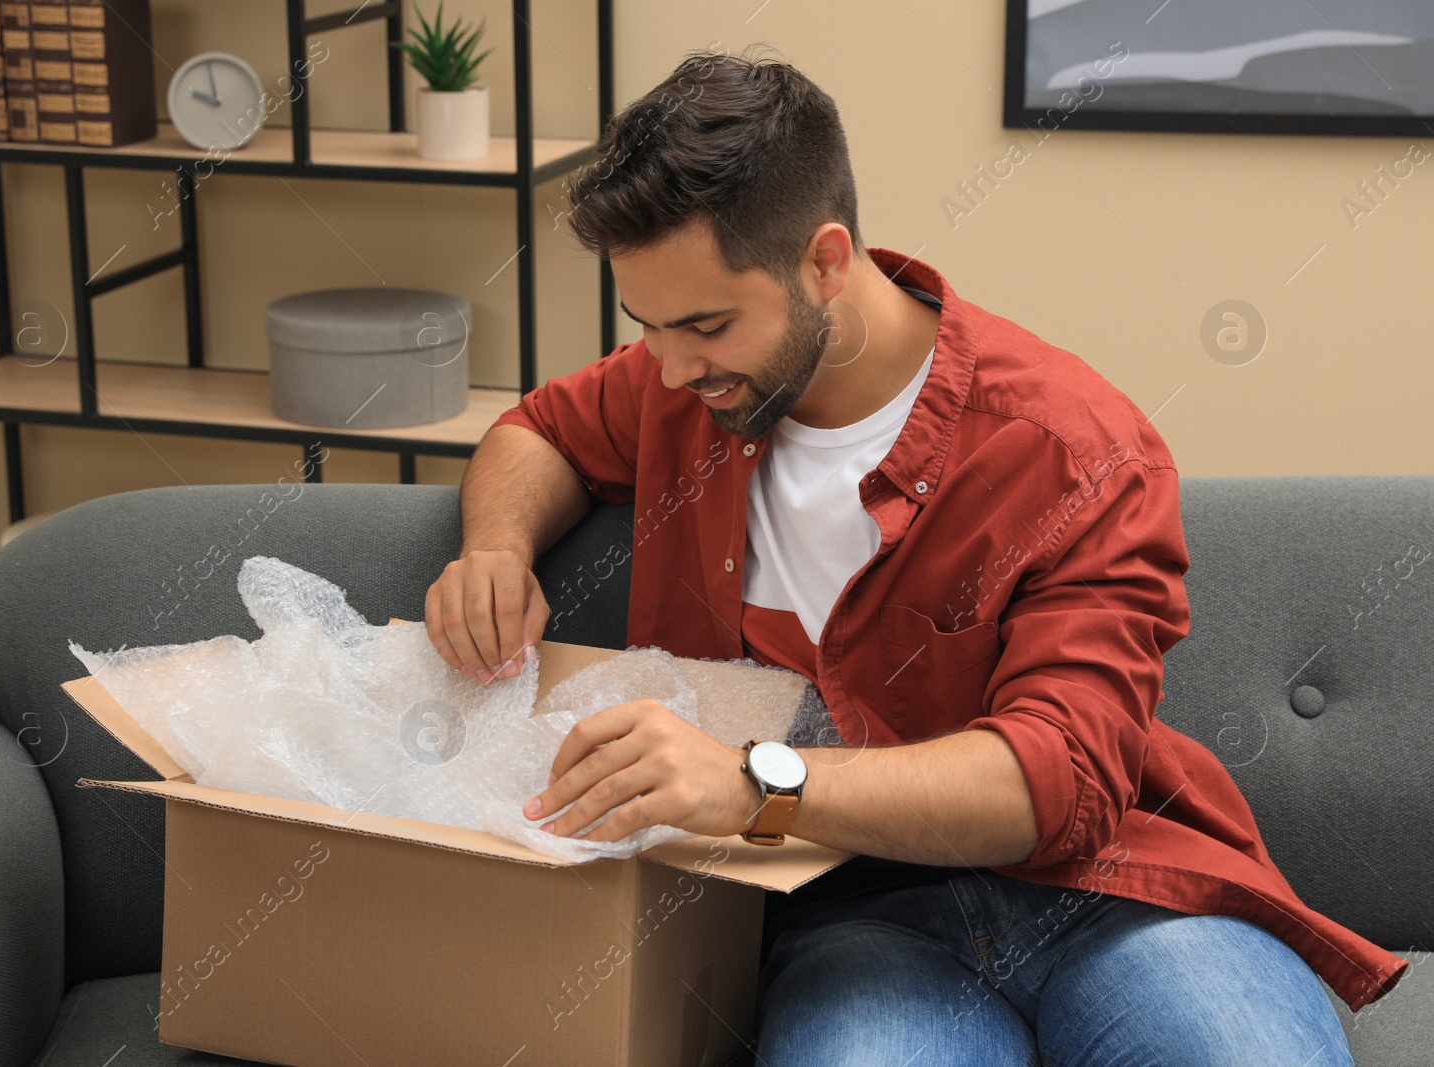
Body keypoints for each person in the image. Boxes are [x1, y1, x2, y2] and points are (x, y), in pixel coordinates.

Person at [422, 44, 1404, 1065]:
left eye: (705, 324)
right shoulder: (685, 385)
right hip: (854, 918)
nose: (667, 367)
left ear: (826, 260)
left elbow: (1054, 784)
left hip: (1118, 894)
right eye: (646, 326)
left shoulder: (1071, 447)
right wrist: (496, 547)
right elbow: (534, 429)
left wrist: (753, 783)